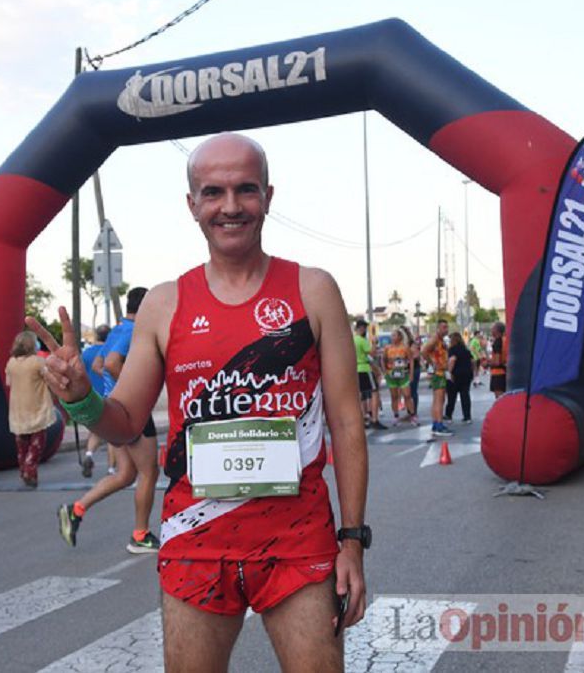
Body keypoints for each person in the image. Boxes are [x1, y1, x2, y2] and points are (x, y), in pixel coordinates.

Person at [28, 133, 368, 672]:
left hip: (299, 543)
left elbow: (347, 423)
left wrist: (352, 541)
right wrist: (80, 398)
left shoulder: (313, 290)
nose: (230, 206)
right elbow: (125, 422)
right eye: (213, 192)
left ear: (268, 196)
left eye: (245, 190)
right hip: (195, 544)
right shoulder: (166, 304)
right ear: (192, 205)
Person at [56, 287, 161, 554]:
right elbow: (112, 363)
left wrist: (113, 389)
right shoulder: (132, 331)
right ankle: (140, 535)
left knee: (126, 474)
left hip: (114, 409)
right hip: (132, 408)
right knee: (149, 472)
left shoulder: (117, 330)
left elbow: (98, 365)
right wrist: (137, 382)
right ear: (146, 305)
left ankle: (76, 509)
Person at [5, 331, 57, 488]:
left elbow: (8, 382)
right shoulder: (38, 362)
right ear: (31, 345)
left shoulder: (11, 363)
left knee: (22, 445)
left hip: (17, 408)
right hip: (36, 407)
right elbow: (50, 379)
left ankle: (24, 470)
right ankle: (30, 468)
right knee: (37, 443)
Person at [78, 324, 111, 477]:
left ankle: (89, 454)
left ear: (97, 336)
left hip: (92, 396)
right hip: (109, 395)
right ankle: (112, 469)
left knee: (96, 430)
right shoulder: (111, 352)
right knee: (112, 434)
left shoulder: (86, 354)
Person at [354, 319, 387, 430]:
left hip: (356, 369)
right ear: (361, 328)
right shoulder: (362, 341)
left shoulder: (352, 340)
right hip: (364, 367)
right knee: (374, 392)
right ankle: (374, 419)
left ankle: (363, 418)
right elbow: (372, 353)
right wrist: (374, 343)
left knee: (361, 395)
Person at [421, 319, 452, 436]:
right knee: (439, 399)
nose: (446, 329)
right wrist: (431, 363)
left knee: (438, 399)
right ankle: (438, 424)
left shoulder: (440, 340)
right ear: (438, 328)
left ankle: (436, 423)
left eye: (447, 327)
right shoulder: (435, 339)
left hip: (440, 372)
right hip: (438, 373)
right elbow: (423, 351)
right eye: (444, 327)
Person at [383, 328, 416, 423]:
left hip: (403, 374)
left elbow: (411, 360)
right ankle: (396, 415)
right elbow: (383, 359)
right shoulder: (387, 348)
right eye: (391, 335)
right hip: (391, 375)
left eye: (394, 335)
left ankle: (412, 414)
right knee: (394, 396)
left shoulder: (405, 347)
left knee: (407, 395)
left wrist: (411, 373)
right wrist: (385, 371)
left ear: (399, 337)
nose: (392, 337)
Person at [444, 331, 474, 424]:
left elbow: (452, 360)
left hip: (455, 375)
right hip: (467, 375)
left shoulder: (452, 350)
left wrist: (449, 373)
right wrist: (472, 371)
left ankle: (449, 415)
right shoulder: (466, 350)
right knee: (465, 395)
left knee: (451, 396)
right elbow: (472, 361)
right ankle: (467, 416)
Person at [488, 322, 507, 398]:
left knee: (499, 399)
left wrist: (488, 363)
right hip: (506, 372)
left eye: (492, 328)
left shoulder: (497, 342)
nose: (491, 330)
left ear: (496, 330)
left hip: (498, 374)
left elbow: (497, 362)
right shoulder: (505, 340)